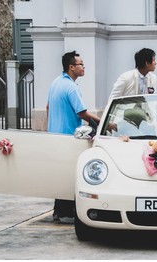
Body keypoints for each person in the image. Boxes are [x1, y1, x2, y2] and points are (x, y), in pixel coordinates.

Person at [46, 50, 101, 222]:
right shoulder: (71, 87)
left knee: (59, 173)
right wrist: (104, 122)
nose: (83, 67)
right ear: (71, 67)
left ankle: (58, 211)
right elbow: (82, 113)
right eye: (81, 64)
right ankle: (66, 212)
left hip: (54, 135)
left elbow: (48, 108)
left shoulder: (55, 83)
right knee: (71, 174)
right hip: (68, 137)